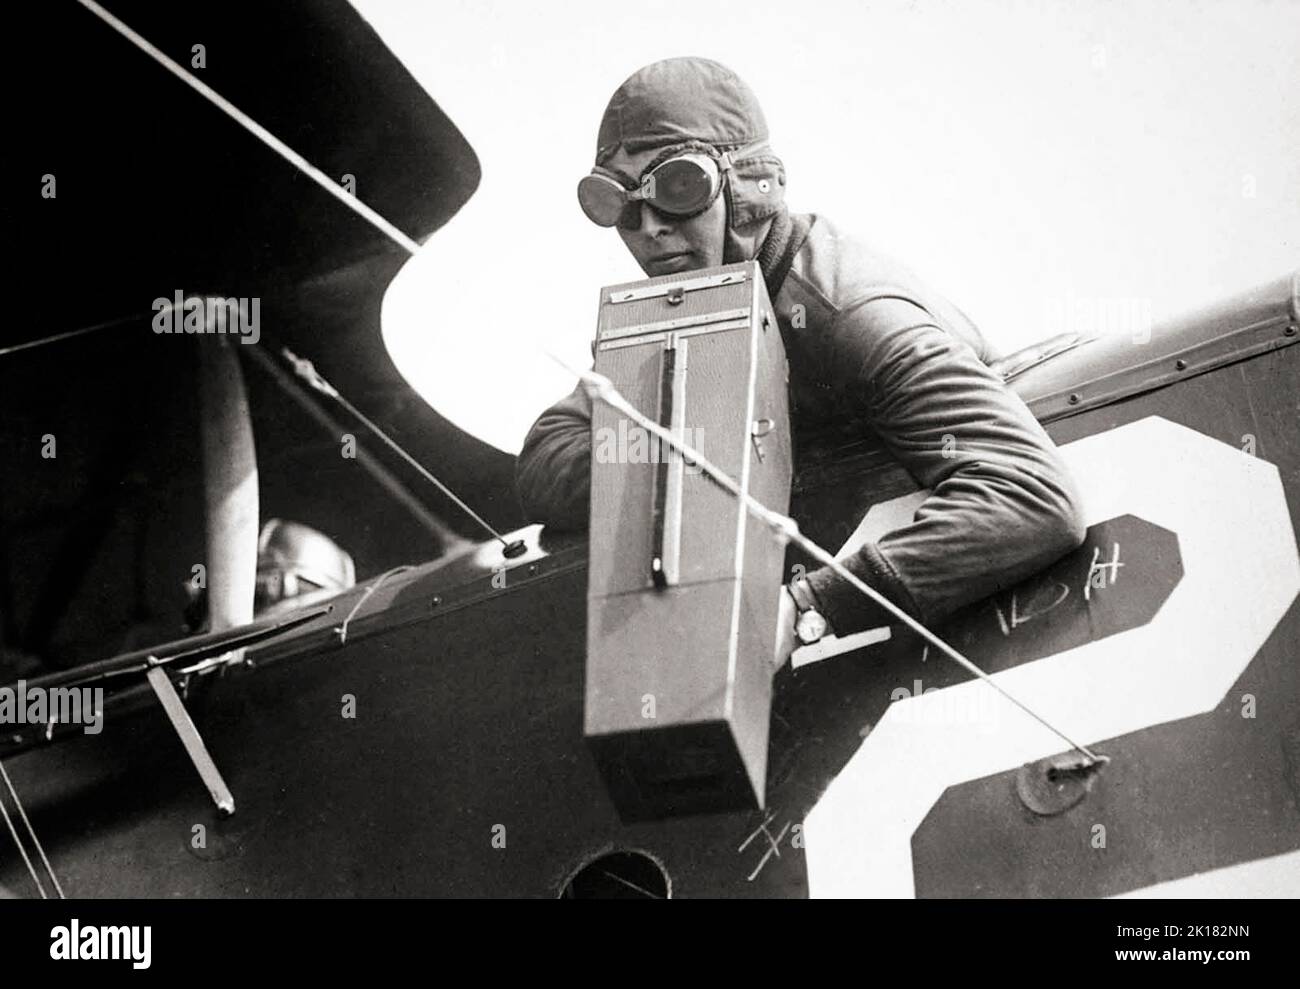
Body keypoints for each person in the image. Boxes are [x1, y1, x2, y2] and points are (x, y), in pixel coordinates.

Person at [516, 57, 1085, 669]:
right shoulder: (688, 305)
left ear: (745, 189)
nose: (649, 228)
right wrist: (698, 449)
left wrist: (808, 609)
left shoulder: (847, 312)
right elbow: (547, 454)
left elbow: (1031, 497)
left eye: (679, 189)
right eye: (622, 205)